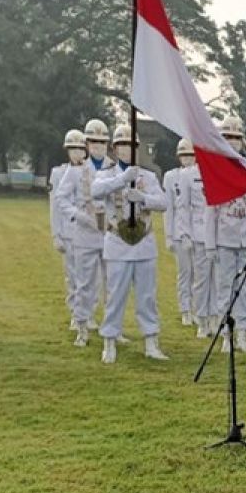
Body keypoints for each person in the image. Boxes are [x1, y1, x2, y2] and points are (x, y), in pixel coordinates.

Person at [91, 124, 170, 364]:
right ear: (115, 149)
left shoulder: (148, 176)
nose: (127, 150)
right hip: (118, 241)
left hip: (143, 242)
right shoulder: (107, 173)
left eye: (131, 145)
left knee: (147, 297)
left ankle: (151, 341)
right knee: (116, 295)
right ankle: (109, 340)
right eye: (122, 145)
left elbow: (163, 202)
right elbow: (96, 191)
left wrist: (144, 198)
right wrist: (122, 180)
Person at [207, 120, 246, 354]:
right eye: (228, 137)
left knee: (245, 287)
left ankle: (243, 332)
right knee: (225, 287)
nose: (232, 142)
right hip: (224, 238)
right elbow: (210, 210)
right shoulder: (216, 170)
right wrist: (210, 244)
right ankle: (227, 335)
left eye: (236, 138)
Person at [55, 119, 112, 348]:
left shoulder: (113, 169)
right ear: (87, 144)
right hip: (85, 232)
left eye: (102, 142)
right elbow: (61, 198)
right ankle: (81, 326)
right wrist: (78, 215)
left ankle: (112, 327)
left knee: (112, 284)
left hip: (110, 233)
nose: (98, 146)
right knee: (84, 283)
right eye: (94, 142)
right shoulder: (77, 170)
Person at [51, 129, 87, 333]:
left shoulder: (90, 171)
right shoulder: (59, 173)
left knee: (89, 277)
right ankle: (75, 313)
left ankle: (87, 314)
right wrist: (56, 234)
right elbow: (55, 206)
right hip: (68, 230)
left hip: (88, 231)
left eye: (79, 149)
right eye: (72, 149)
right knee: (72, 276)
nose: (76, 153)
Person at [181, 141, 218, 339]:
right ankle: (202, 320)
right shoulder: (188, 175)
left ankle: (215, 318)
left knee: (218, 280)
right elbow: (183, 206)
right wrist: (184, 233)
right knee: (201, 280)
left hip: (219, 234)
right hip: (199, 233)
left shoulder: (218, 170)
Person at [163, 138, 196, 327]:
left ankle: (199, 309)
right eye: (183, 155)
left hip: (198, 231)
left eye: (190, 155)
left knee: (200, 274)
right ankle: (185, 309)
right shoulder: (170, 177)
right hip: (179, 232)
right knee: (185, 273)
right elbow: (169, 208)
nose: (187, 159)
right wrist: (169, 236)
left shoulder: (200, 175)